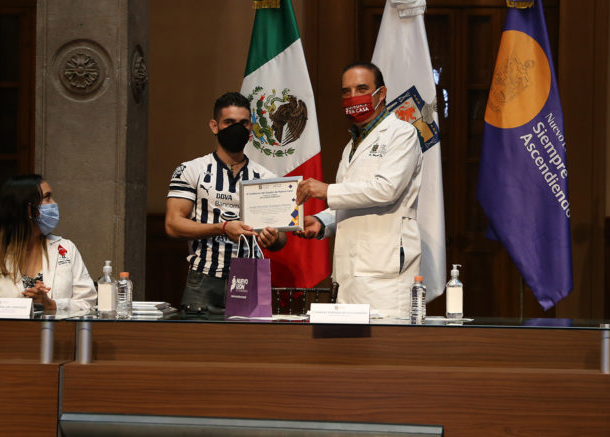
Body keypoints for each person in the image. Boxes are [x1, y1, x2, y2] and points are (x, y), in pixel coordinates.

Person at [296, 62, 423, 318]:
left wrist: (326, 190)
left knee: (385, 339)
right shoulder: (352, 144)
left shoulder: (402, 134)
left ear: (381, 93)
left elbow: (386, 190)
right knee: (350, 341)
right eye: (347, 91)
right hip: (349, 270)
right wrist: (321, 222)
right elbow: (351, 199)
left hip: (383, 270)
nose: (353, 97)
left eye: (362, 88)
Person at [165, 92, 286, 312]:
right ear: (214, 126)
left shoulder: (266, 178)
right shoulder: (191, 170)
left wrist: (274, 238)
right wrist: (221, 228)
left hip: (251, 277)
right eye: (229, 122)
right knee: (200, 336)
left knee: (250, 337)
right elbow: (173, 225)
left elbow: (281, 238)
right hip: (204, 278)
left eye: (243, 123)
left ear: (251, 128)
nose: (236, 129)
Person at [0, 175, 96, 314]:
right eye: (47, 198)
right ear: (29, 209)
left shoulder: (65, 248)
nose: (54, 203)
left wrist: (52, 305)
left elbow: (88, 302)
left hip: (55, 328)